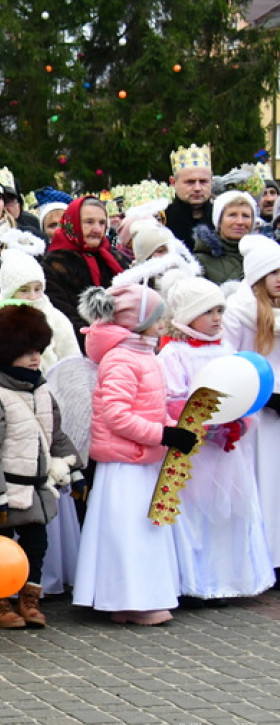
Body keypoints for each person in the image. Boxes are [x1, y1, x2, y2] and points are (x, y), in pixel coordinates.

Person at [73, 283, 196, 625]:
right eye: (157, 318)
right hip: (124, 461)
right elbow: (117, 414)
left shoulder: (143, 355)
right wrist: (163, 434)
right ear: (137, 322)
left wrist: (174, 429)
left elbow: (152, 408)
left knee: (141, 529)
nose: (162, 324)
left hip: (142, 457)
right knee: (128, 532)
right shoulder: (121, 359)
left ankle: (131, 599)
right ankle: (130, 599)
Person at [0, 303, 82, 629]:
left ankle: (28, 598)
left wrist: (76, 469)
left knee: (36, 545)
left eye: (38, 351)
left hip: (35, 487)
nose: (35, 358)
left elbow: (54, 433)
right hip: (3, 487)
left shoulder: (40, 389)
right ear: (6, 351)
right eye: (27, 352)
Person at [159, 276, 274, 603]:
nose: (216, 318)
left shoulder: (226, 349)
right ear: (186, 314)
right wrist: (203, 424)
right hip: (196, 450)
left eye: (219, 311)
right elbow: (171, 398)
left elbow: (245, 389)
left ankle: (229, 577)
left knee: (228, 508)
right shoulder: (173, 353)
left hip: (227, 450)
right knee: (194, 511)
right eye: (207, 311)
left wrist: (240, 422)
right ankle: (198, 582)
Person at [223, 235, 280, 579]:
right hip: (258, 410)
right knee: (262, 483)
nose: (279, 279)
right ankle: (263, 556)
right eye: (273, 272)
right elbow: (230, 359)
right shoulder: (240, 313)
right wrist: (263, 394)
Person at [43, 196, 126, 349]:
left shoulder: (115, 259)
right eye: (89, 222)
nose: (97, 229)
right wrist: (100, 341)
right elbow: (62, 314)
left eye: (102, 223)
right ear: (73, 223)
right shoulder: (53, 265)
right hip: (79, 347)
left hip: (124, 344)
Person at [193, 190, 257, 285]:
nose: (240, 222)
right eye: (232, 215)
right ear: (219, 222)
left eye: (246, 216)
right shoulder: (200, 263)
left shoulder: (263, 256)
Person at [165, 144, 213, 250]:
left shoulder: (222, 218)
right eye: (190, 182)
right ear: (173, 182)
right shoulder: (162, 221)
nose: (197, 188)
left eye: (203, 181)